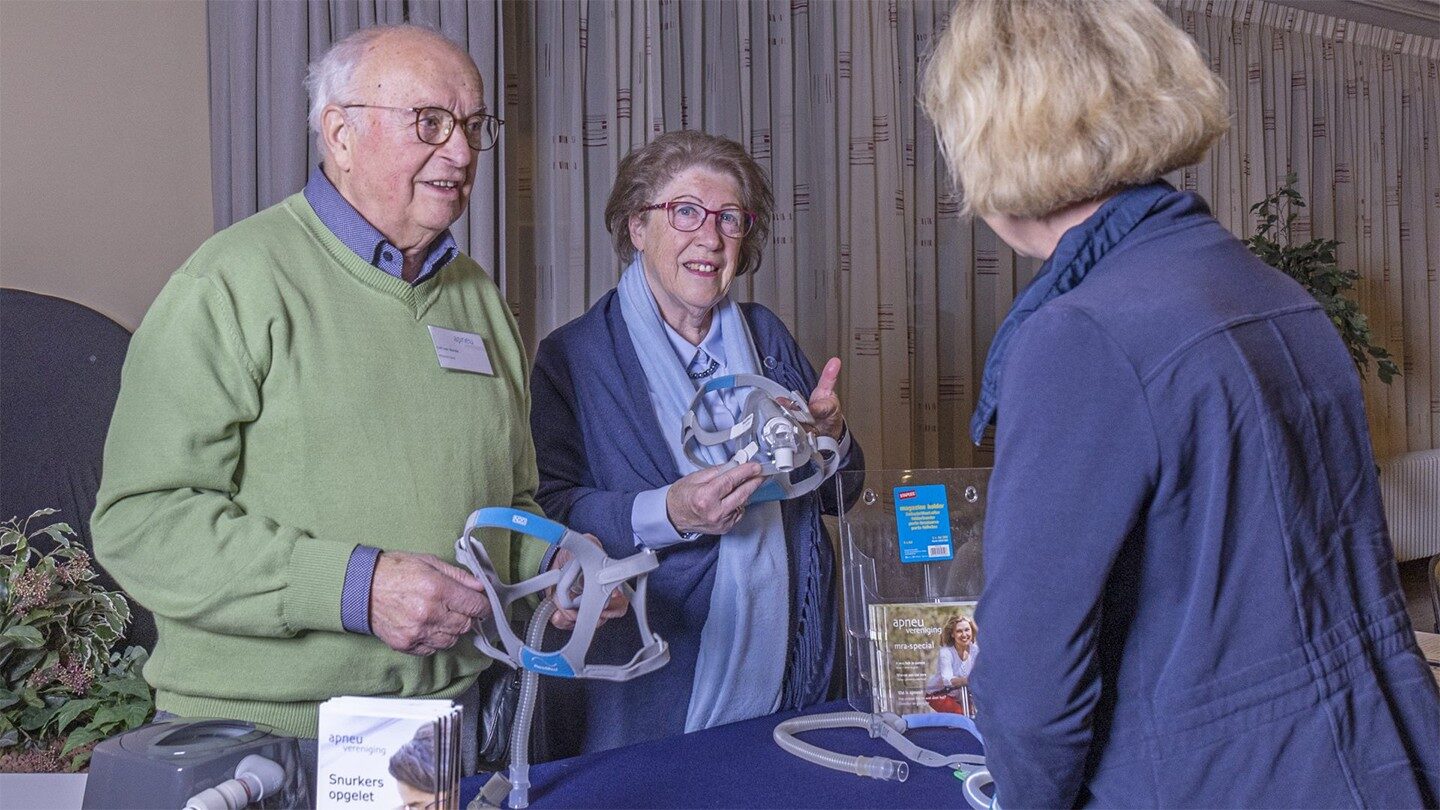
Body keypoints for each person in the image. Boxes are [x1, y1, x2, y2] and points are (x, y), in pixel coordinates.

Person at [920, 0, 1440, 806]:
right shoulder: (1276, 294)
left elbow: (1032, 683)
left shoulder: (1079, 336)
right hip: (1374, 758)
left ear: (992, 144)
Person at [90, 24, 620, 775]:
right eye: (429, 123)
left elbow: (508, 504)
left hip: (445, 731)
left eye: (472, 126)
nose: (462, 152)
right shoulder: (229, 283)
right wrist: (356, 588)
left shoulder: (479, 300)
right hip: (265, 737)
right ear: (340, 134)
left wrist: (556, 563)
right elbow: (141, 523)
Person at [528, 130, 865, 756]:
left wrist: (832, 438)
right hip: (652, 683)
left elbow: (838, 495)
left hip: (793, 668)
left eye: (729, 218)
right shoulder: (574, 356)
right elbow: (548, 510)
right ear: (637, 226)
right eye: (685, 211)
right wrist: (670, 512)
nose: (710, 238)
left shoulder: (766, 336)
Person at [926, 615, 979, 716]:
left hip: (961, 693)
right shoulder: (946, 652)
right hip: (939, 693)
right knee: (960, 715)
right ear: (952, 634)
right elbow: (947, 680)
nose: (964, 634)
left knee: (976, 715)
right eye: (959, 631)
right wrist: (969, 680)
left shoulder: (975, 650)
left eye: (967, 630)